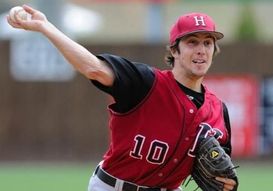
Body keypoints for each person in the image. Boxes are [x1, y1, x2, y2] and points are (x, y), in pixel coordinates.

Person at [7, 4, 238, 191]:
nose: (201, 50)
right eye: (192, 42)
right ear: (174, 50)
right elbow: (93, 68)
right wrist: (46, 27)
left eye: (208, 43)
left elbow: (221, 175)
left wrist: (226, 184)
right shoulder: (145, 83)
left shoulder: (218, 110)